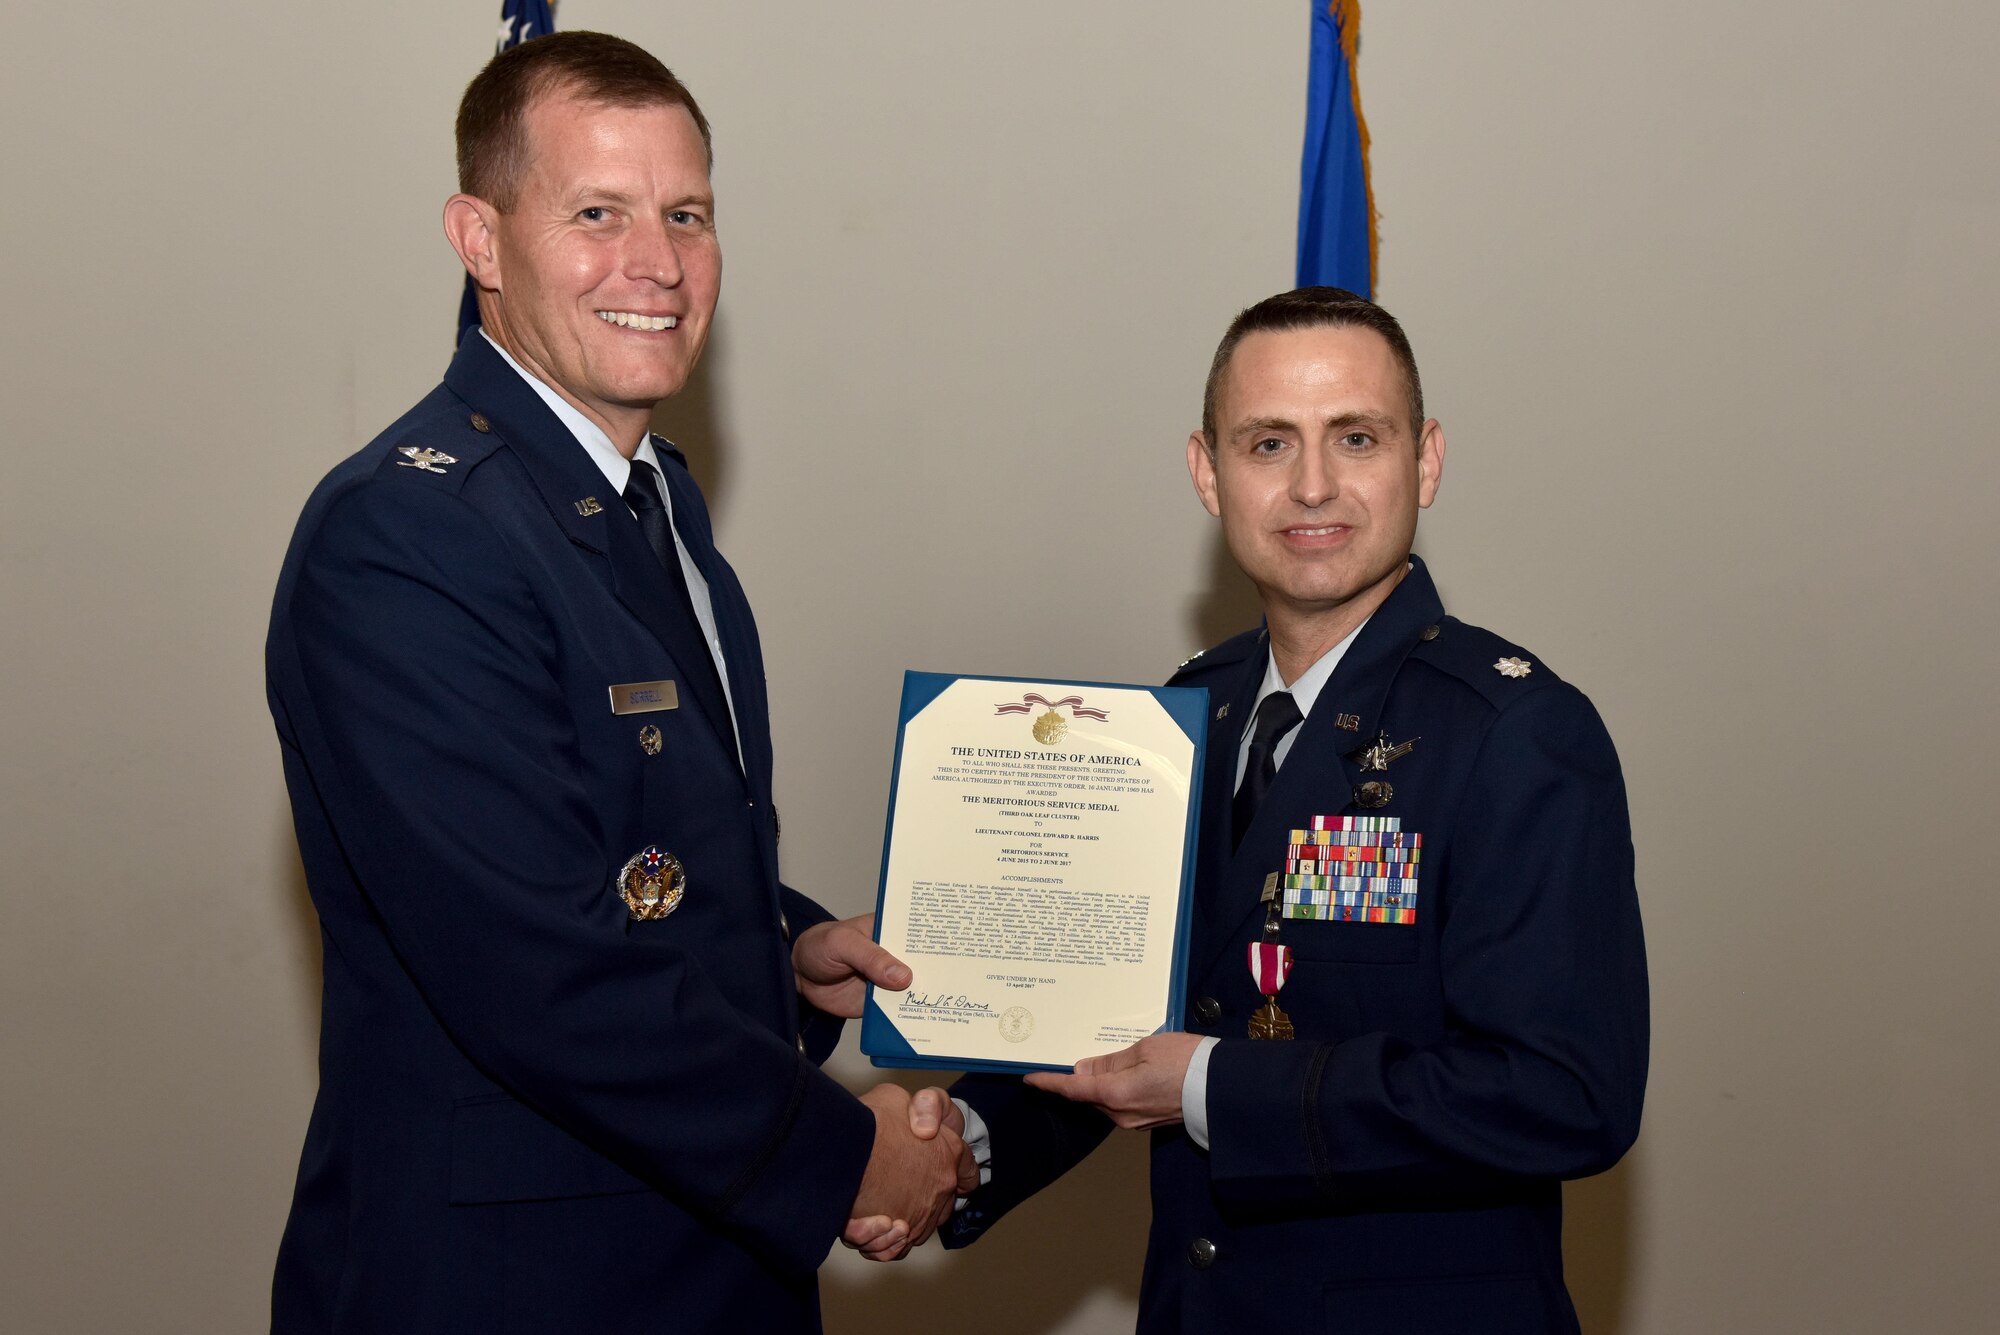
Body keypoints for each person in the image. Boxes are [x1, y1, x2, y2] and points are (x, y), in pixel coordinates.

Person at [265, 31, 968, 1333]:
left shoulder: (652, 504)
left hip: (694, 1267)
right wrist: (843, 1155)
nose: (655, 263)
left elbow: (622, 850)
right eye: (598, 213)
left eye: (686, 214)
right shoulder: (410, 535)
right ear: (479, 237)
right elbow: (539, 971)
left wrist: (778, 948)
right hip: (511, 1290)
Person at [875, 288, 1649, 1333]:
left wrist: (1211, 1088)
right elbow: (1123, 1009)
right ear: (1207, 472)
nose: (1312, 485)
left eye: (1356, 438)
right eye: (1268, 442)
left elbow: (1561, 1093)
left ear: (1423, 460)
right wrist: (961, 1142)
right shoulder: (1187, 712)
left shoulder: (1512, 732)